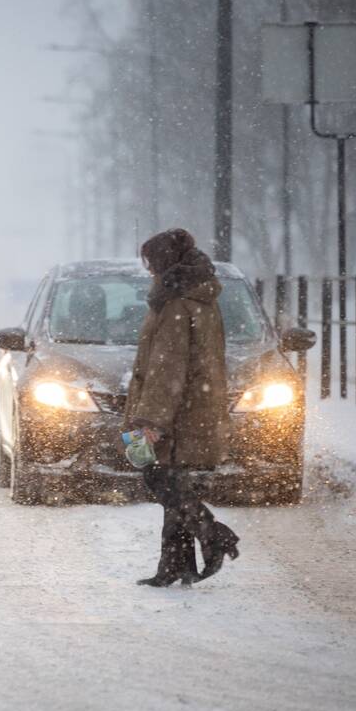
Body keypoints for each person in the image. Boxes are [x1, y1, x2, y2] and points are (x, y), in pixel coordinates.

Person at [125, 229, 240, 587]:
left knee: (158, 478)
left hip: (177, 412)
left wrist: (150, 422)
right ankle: (175, 566)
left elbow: (167, 370)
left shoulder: (176, 304)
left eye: (151, 263)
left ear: (164, 262)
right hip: (197, 408)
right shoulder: (201, 298)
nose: (148, 271)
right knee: (174, 485)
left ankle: (213, 534)